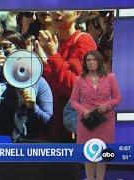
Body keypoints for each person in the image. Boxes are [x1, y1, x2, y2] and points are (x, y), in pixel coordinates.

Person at [0, 30, 53, 141]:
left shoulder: (36, 81)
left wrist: (33, 108)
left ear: (19, 49)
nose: (1, 51)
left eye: (7, 46)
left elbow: (48, 122)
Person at [35, 10, 97, 141]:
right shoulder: (50, 40)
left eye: (63, 8)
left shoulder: (83, 41)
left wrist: (53, 55)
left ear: (77, 13)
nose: (57, 13)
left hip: (69, 132)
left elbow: (75, 86)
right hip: (48, 125)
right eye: (54, 9)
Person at [70, 50, 121, 180]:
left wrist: (107, 106)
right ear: (85, 63)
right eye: (88, 60)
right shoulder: (79, 80)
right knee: (88, 153)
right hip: (87, 121)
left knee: (101, 153)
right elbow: (74, 100)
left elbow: (117, 98)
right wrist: (83, 111)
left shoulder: (110, 77)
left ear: (99, 61)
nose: (91, 62)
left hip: (105, 121)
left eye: (94, 60)